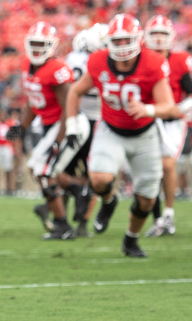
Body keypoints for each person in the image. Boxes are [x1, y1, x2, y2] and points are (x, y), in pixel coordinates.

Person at [66, 14, 176, 257]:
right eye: (116, 41)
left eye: (127, 40)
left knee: (146, 199)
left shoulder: (152, 62)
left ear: (137, 40)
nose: (122, 46)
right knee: (99, 179)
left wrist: (147, 109)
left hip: (145, 134)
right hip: (110, 128)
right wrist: (72, 125)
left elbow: (168, 105)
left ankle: (131, 239)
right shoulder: (98, 61)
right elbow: (76, 91)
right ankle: (108, 201)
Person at [9, 21, 87, 240]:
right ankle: (77, 191)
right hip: (52, 125)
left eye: (41, 44)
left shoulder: (57, 69)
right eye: (33, 43)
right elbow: (35, 102)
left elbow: (69, 108)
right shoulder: (27, 66)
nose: (36, 48)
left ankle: (63, 224)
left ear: (52, 46)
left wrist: (58, 140)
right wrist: (20, 126)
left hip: (68, 124)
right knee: (41, 171)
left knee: (43, 171)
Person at [142, 15, 192, 237]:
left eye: (163, 34)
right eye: (154, 34)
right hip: (148, 119)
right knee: (151, 170)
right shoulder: (140, 59)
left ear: (171, 37)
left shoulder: (181, 60)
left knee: (166, 165)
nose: (159, 39)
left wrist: (178, 109)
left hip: (172, 122)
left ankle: (168, 214)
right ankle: (157, 217)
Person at [63, 23, 109, 238]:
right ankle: (82, 223)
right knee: (93, 175)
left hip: (76, 118)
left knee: (63, 170)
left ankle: (60, 221)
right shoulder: (105, 61)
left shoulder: (72, 59)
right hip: (99, 121)